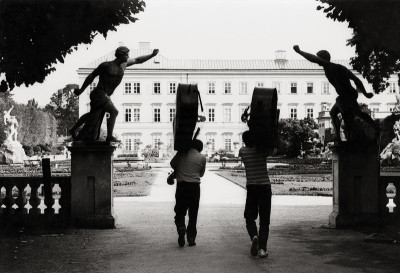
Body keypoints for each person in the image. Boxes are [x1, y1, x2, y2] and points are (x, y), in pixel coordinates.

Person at [70, 46, 159, 141]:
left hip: (106, 95)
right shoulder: (106, 65)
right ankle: (109, 137)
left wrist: (152, 55)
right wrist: (81, 90)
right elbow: (91, 76)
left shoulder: (123, 65)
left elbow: (138, 60)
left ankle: (73, 129)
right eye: (126, 54)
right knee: (114, 111)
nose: (128, 56)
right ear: (121, 55)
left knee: (93, 115)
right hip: (99, 93)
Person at [293, 45, 378, 142]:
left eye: (319, 58)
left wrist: (299, 52)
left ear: (323, 58)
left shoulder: (330, 66)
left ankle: (348, 138)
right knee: (342, 113)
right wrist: (365, 94)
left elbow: (313, 59)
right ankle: (342, 136)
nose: (318, 62)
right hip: (347, 95)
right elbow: (356, 80)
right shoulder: (338, 67)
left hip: (346, 96)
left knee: (347, 116)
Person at [239, 130, 272, 258]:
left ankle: (254, 235)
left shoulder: (243, 151)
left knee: (249, 216)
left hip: (252, 188)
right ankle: (263, 249)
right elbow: (272, 148)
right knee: (264, 220)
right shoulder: (262, 151)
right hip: (265, 187)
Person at [170, 139, 206, 247]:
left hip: (182, 186)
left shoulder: (181, 153)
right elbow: (201, 174)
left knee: (180, 211)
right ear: (200, 148)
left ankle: (181, 227)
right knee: (193, 213)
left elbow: (172, 164)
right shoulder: (202, 157)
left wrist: (181, 166)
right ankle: (191, 238)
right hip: (195, 187)